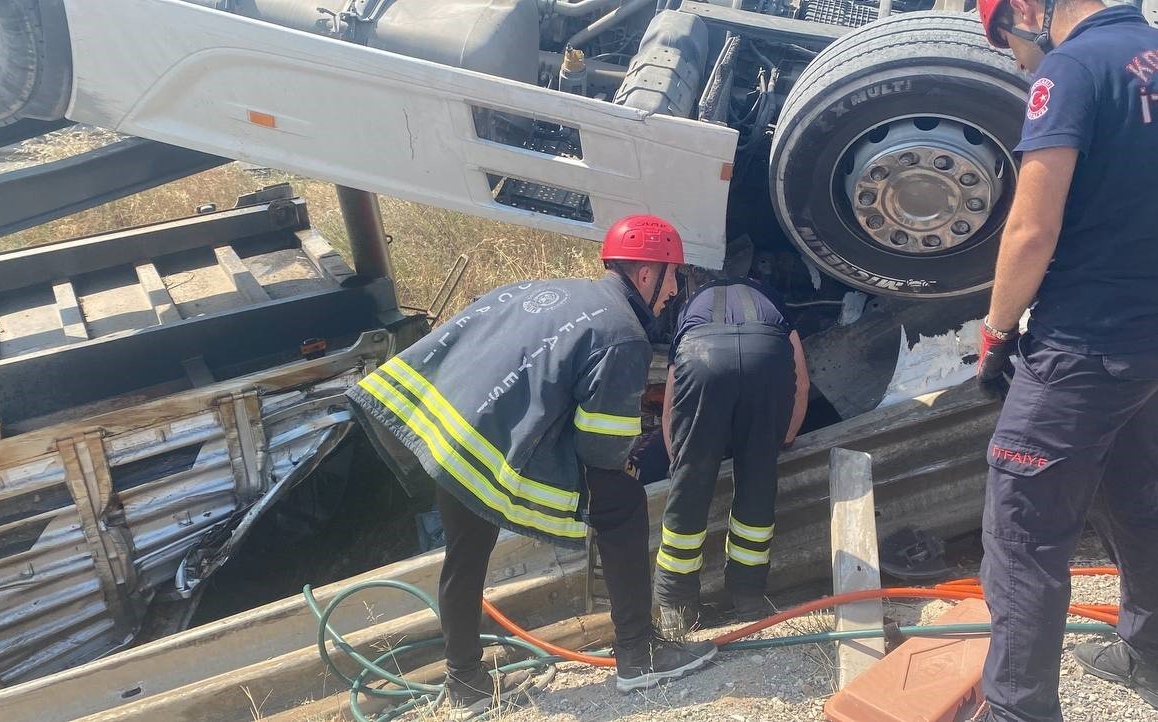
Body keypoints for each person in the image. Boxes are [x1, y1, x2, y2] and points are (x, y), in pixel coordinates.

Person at [345, 215, 717, 711]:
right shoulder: (623, 334)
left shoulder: (543, 289)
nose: (673, 292)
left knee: (464, 554)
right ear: (647, 273)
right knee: (623, 505)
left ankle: (466, 683)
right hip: (492, 447)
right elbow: (602, 449)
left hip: (450, 434)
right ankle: (639, 654)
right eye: (673, 278)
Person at [973, 0, 1158, 718]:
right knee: (1136, 499)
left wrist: (996, 332)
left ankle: (1018, 708)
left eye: (1007, 42)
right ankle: (1154, 658)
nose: (1018, 61)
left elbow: (1031, 228)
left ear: (1025, 9)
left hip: (1089, 347)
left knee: (1023, 530)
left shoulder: (1072, 69)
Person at [654, 270, 810, 635]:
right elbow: (801, 382)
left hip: (702, 356)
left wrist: (680, 460)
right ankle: (748, 597)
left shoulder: (692, 306)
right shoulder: (771, 300)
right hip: (766, 356)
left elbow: (671, 401)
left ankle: (676, 606)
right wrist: (783, 438)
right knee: (757, 481)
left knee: (691, 487)